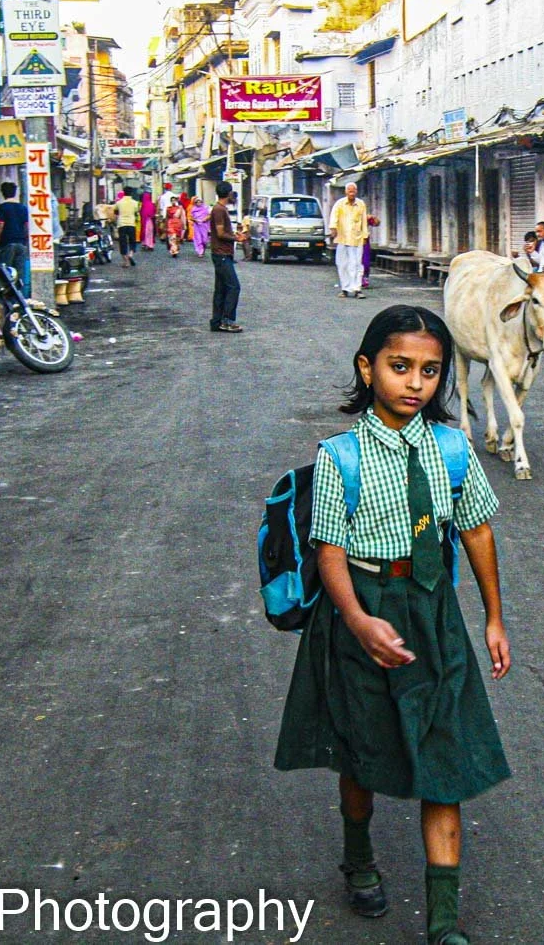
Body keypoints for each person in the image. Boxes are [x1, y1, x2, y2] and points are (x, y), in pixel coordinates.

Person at [275, 304, 510, 945]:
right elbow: (328, 551)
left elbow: (477, 530)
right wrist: (356, 621)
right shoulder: (340, 457)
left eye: (430, 371)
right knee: (364, 752)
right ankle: (358, 859)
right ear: (367, 366)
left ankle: (444, 923)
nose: (415, 383)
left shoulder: (454, 449)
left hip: (434, 612)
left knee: (445, 757)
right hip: (364, 611)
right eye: (399, 366)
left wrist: (492, 618)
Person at [208, 182, 246, 332]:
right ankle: (228, 320)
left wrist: (235, 235)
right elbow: (221, 233)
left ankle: (216, 322)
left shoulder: (220, 209)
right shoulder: (219, 210)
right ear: (228, 194)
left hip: (221, 253)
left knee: (221, 289)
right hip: (221, 253)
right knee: (234, 286)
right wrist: (236, 238)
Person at [0, 181, 33, 297]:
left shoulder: (3, 207)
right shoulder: (22, 208)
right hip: (21, 244)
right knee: (18, 275)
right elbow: (27, 227)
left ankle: (5, 300)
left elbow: (0, 226)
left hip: (7, 243)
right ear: (15, 193)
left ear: (2, 193)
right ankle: (19, 299)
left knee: (5, 274)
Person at [332, 182, 370, 299]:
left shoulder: (361, 204)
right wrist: (333, 228)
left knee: (357, 264)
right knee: (342, 264)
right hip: (342, 238)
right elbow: (334, 217)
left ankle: (357, 289)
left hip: (357, 238)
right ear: (346, 192)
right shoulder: (340, 204)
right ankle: (345, 289)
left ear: (356, 192)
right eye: (349, 191)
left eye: (353, 191)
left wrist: (365, 236)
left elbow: (364, 220)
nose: (351, 193)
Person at [114, 188, 141, 268]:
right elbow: (136, 212)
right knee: (132, 241)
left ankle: (126, 261)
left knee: (123, 242)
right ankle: (131, 254)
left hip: (121, 224)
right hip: (131, 224)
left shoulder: (119, 203)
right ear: (131, 193)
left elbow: (116, 212)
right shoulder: (135, 203)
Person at [189, 192, 211, 258]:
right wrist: (195, 220)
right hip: (197, 226)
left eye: (200, 202)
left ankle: (203, 248)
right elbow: (190, 217)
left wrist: (204, 219)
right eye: (197, 202)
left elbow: (210, 215)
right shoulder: (193, 209)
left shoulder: (206, 208)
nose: (199, 203)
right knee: (198, 238)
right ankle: (200, 251)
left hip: (204, 226)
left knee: (204, 239)